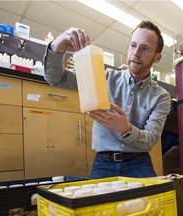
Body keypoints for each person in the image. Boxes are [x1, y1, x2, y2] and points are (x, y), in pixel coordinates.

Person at [43, 20, 171, 179]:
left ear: (157, 57)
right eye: (133, 45)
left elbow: (151, 139)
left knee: (152, 202)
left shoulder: (161, 96)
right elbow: (56, 78)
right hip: (104, 162)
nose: (135, 53)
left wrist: (126, 129)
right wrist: (57, 47)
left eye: (144, 48)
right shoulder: (104, 77)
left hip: (139, 162)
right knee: (98, 204)